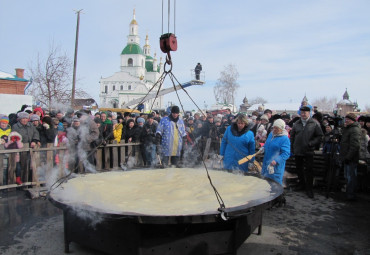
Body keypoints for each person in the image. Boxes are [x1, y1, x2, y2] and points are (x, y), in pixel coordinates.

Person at [290, 106, 323, 198]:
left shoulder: (314, 123)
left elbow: (320, 136)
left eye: (305, 113)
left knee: (309, 170)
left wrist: (311, 143)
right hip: (298, 150)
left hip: (308, 150)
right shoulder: (297, 123)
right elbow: (292, 136)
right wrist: (292, 147)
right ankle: (301, 184)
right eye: (302, 113)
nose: (303, 114)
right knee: (299, 169)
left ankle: (309, 188)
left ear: (309, 113)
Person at [260, 119, 290, 185]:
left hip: (275, 167)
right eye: (274, 128)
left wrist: (276, 160)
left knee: (275, 185)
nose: (274, 130)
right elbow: (267, 144)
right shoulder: (271, 135)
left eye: (277, 128)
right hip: (266, 163)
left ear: (282, 129)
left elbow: (286, 153)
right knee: (264, 183)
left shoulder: (284, 139)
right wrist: (263, 148)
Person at [339, 113, 361, 201]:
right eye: (346, 119)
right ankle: (348, 193)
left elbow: (355, 145)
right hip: (346, 156)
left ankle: (350, 195)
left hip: (351, 158)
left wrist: (348, 157)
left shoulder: (354, 130)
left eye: (348, 119)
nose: (346, 121)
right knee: (347, 176)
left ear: (352, 120)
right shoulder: (348, 129)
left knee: (351, 177)